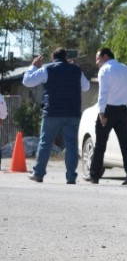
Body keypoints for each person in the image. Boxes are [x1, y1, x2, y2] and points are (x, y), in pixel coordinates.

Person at [23, 48, 91, 183]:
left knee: (45, 143)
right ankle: (71, 177)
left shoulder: (48, 69)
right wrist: (72, 68)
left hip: (52, 113)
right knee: (71, 145)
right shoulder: (76, 70)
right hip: (72, 113)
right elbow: (86, 87)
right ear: (66, 57)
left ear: (53, 58)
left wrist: (33, 66)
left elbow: (27, 81)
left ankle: (38, 173)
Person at [88, 47, 127, 185]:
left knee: (100, 144)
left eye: (98, 59)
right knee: (125, 144)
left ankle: (94, 175)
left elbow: (103, 93)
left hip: (108, 110)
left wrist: (101, 112)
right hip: (123, 110)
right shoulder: (126, 69)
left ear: (105, 56)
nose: (97, 63)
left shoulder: (105, 70)